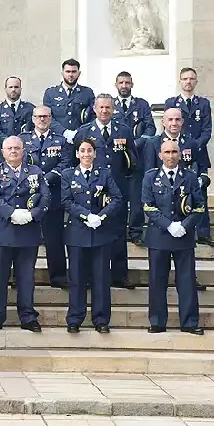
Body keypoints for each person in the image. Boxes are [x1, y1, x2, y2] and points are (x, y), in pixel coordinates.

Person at [0, 136, 49, 332]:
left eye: (17, 148)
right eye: (9, 148)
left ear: (23, 151)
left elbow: (46, 197)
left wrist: (32, 214)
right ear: (3, 152)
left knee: (26, 278)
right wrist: (11, 213)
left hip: (27, 232)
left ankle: (28, 317)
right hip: (1, 232)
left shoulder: (35, 172)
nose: (13, 151)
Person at [142, 139, 205, 335]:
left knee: (186, 282)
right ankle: (157, 322)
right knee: (157, 280)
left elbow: (199, 207)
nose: (171, 156)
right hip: (159, 236)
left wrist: (183, 226)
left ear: (180, 155)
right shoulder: (150, 177)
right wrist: (168, 225)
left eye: (174, 152)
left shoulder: (191, 177)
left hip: (183, 237)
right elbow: (148, 206)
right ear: (160, 155)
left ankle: (189, 322)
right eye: (167, 152)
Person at [74, 94, 137, 289]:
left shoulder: (124, 130)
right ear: (94, 108)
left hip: (117, 191)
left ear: (113, 109)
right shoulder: (84, 131)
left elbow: (132, 160)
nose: (104, 111)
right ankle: (90, 277)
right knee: (91, 236)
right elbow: (75, 161)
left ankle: (119, 275)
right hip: (91, 193)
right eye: (101, 107)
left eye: (108, 108)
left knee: (118, 232)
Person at [61, 137, 122, 333]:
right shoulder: (68, 174)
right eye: (82, 151)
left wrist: (101, 216)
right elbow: (66, 201)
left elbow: (117, 198)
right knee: (77, 278)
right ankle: (75, 318)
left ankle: (101, 319)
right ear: (77, 154)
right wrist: (86, 215)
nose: (86, 154)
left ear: (95, 153)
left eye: (89, 150)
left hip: (101, 233)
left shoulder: (104, 174)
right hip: (77, 233)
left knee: (101, 278)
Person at [144, 108, 214, 249]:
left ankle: (203, 233)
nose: (174, 123)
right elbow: (149, 171)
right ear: (163, 122)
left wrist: (200, 180)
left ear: (182, 122)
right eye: (170, 119)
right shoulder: (153, 143)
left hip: (186, 199)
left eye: (177, 119)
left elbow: (202, 167)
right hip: (163, 199)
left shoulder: (191, 143)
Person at [164, 67, 214, 245]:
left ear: (196, 81)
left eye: (192, 79)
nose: (188, 82)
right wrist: (179, 147)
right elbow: (170, 126)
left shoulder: (203, 103)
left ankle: (203, 232)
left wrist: (194, 147)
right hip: (175, 153)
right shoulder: (171, 102)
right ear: (180, 81)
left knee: (200, 192)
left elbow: (207, 130)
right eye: (185, 78)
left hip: (197, 153)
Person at [22, 106, 70, 289]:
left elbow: (65, 164)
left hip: (53, 195)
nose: (42, 120)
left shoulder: (61, 141)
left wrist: (45, 179)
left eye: (45, 117)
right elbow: (18, 162)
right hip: (28, 195)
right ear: (33, 119)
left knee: (54, 239)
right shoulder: (23, 140)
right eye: (39, 117)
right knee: (25, 238)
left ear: (51, 118)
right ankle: (22, 277)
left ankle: (57, 277)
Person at [113, 71, 156, 246]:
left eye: (127, 83)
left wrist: (135, 143)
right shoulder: (110, 105)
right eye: (121, 83)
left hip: (137, 158)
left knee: (136, 199)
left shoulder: (142, 104)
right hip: (116, 159)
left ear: (132, 84)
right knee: (118, 197)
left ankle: (136, 232)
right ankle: (119, 231)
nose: (124, 86)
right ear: (116, 84)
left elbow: (151, 129)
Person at [43, 59, 95, 144]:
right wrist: (64, 132)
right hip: (57, 139)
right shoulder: (51, 93)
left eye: (74, 72)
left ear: (79, 73)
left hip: (81, 140)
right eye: (68, 71)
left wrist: (79, 132)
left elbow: (93, 116)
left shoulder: (87, 92)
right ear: (62, 73)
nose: (70, 75)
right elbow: (47, 117)